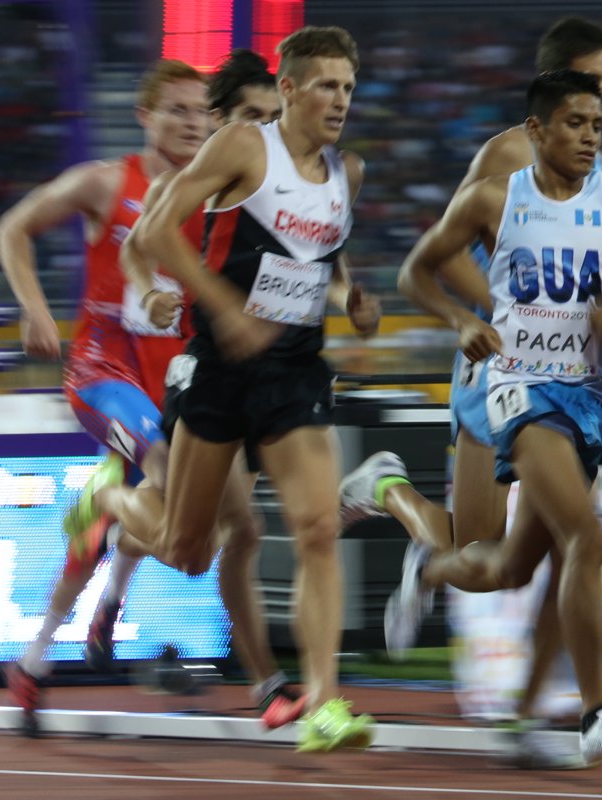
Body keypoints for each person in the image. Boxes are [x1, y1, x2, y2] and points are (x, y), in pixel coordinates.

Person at [77, 26, 383, 753]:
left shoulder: (349, 170)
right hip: (219, 368)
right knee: (187, 548)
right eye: (326, 86)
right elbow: (152, 229)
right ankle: (111, 505)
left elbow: (323, 253)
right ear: (290, 89)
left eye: (348, 86)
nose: (340, 100)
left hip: (295, 370)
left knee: (314, 528)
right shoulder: (246, 146)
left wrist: (349, 297)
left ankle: (325, 706)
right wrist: (218, 305)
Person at [341, 16, 602, 768]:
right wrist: (497, 311)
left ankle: (531, 715)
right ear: (564, 77)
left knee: (566, 548)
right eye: (599, 78)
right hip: (498, 368)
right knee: (482, 555)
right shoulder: (510, 151)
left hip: (570, 383)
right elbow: (451, 248)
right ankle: (397, 500)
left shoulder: (600, 166)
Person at [387, 69, 602, 767]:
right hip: (521, 389)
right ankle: (596, 714)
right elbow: (416, 273)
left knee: (511, 568)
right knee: (587, 540)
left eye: (598, 125)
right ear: (536, 131)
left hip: (590, 399)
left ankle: (429, 569)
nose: (589, 137)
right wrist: (460, 319)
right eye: (574, 124)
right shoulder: (491, 199)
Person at [0, 59, 210, 736]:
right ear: (145, 117)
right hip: (102, 371)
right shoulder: (107, 182)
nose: (191, 124)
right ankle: (109, 553)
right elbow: (13, 228)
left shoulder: (218, 194)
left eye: (202, 112)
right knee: (165, 470)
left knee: (130, 518)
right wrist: (34, 310)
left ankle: (34, 661)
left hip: (172, 379)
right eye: (176, 110)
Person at [91, 48, 305, 731]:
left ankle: (269, 684)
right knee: (196, 551)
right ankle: (112, 500)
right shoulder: (197, 181)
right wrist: (151, 291)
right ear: (221, 122)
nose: (263, 134)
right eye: (251, 118)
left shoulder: (281, 182)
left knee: (245, 530)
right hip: (202, 374)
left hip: (250, 375)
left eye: (274, 120)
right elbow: (135, 245)